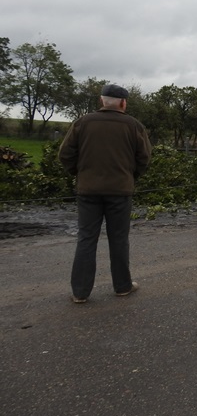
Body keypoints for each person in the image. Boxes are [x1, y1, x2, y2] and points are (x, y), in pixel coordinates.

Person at [59, 84, 152, 303]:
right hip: (120, 191)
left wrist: (80, 173)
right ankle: (122, 287)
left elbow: (65, 154)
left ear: (102, 101)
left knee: (86, 238)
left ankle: (80, 292)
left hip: (88, 191)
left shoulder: (83, 122)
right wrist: (131, 176)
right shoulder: (134, 125)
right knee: (119, 239)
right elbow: (144, 158)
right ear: (123, 103)